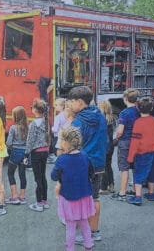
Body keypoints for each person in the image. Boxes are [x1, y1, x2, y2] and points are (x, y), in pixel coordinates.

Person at [68, 86, 107, 243]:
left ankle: (81, 233)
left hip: (82, 164)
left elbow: (71, 146)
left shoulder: (78, 121)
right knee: (95, 198)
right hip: (98, 162)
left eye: (71, 102)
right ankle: (94, 231)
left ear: (79, 102)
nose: (69, 105)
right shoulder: (100, 115)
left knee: (79, 199)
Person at [51, 126, 95, 251]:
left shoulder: (62, 159)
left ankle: (70, 249)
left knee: (70, 226)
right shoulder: (85, 156)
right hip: (84, 195)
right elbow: (91, 173)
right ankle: (88, 246)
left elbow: (54, 176)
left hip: (69, 198)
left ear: (65, 142)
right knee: (84, 223)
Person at [126, 97, 154, 206]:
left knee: (139, 174)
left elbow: (135, 141)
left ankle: (138, 197)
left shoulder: (138, 122)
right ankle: (151, 193)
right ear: (152, 108)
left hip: (142, 152)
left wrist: (130, 157)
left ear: (138, 109)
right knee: (152, 173)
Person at [111, 88, 140, 201]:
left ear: (125, 99)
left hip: (125, 142)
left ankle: (122, 192)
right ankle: (134, 189)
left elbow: (120, 131)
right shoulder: (138, 111)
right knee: (134, 166)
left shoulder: (124, 113)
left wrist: (116, 138)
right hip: (136, 141)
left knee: (124, 168)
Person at [24, 98, 50, 212]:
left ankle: (38, 203)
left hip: (36, 152)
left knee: (37, 178)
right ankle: (45, 201)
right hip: (45, 151)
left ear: (35, 110)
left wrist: (26, 154)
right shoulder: (47, 121)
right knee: (43, 176)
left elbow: (30, 140)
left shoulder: (33, 124)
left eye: (32, 107)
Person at [5, 106, 29, 205]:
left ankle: (14, 196)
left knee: (10, 173)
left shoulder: (13, 128)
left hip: (15, 152)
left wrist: (8, 147)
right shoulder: (28, 127)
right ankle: (22, 196)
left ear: (16, 117)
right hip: (25, 153)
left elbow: (9, 142)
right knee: (22, 174)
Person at [97, 100, 115, 194]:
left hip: (103, 145)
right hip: (110, 145)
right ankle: (111, 184)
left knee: (103, 167)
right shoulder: (111, 119)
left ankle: (103, 187)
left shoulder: (101, 119)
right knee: (109, 165)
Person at [49, 98, 67, 163]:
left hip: (58, 137)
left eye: (56, 105)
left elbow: (55, 129)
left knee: (58, 153)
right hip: (66, 136)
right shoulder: (67, 115)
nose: (55, 106)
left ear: (62, 106)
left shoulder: (58, 117)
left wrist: (51, 128)